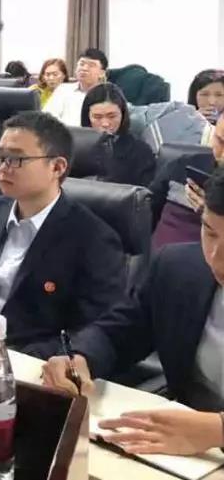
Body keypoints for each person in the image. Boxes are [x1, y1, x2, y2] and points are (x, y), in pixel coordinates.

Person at [42, 168, 224, 454]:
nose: (216, 258)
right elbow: (121, 331)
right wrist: (80, 359)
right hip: (184, 448)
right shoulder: (178, 268)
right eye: (210, 232)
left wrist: (217, 430)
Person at [0, 111, 125, 358]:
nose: (2, 168)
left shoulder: (94, 238)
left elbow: (93, 331)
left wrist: (29, 358)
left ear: (57, 167)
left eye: (16, 160)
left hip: (29, 359)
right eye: (0, 157)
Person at [153, 113, 224, 250]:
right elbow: (148, 206)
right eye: (220, 141)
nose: (223, 154)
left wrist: (210, 213)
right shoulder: (184, 164)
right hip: (158, 253)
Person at [81, 83, 155, 188]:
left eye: (112, 116)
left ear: (123, 114)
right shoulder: (76, 147)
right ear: (87, 116)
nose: (105, 123)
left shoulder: (141, 151)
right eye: (97, 117)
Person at [44, 48, 109, 126]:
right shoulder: (63, 90)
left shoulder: (108, 95)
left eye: (91, 65)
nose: (84, 68)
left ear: (102, 73)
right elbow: (46, 118)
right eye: (81, 64)